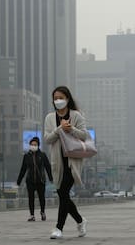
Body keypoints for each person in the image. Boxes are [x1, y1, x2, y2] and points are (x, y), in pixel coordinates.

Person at [44, 86, 88, 239]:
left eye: (61, 97)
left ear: (67, 99)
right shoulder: (49, 118)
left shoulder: (76, 115)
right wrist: (59, 129)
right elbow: (47, 139)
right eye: (55, 98)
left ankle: (58, 228)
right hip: (57, 162)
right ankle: (80, 221)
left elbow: (84, 135)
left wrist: (71, 129)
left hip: (72, 161)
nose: (58, 101)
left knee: (63, 192)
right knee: (63, 195)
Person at [17, 136, 53, 222]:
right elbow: (23, 169)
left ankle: (43, 212)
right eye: (32, 144)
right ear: (30, 145)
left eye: (35, 144)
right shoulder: (26, 156)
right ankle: (32, 215)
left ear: (38, 145)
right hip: (30, 181)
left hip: (41, 180)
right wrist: (19, 180)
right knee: (31, 198)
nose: (33, 146)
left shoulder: (42, 155)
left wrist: (51, 178)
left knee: (41, 198)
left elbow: (48, 167)